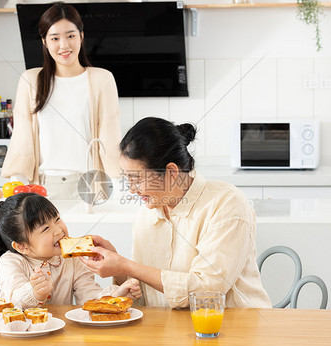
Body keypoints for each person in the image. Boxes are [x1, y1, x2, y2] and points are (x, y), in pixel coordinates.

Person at [81, 117, 272, 309]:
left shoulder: (226, 203)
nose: (132, 189)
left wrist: (126, 265)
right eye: (127, 179)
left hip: (235, 329)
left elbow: (209, 290)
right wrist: (119, 268)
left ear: (172, 172)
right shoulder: (146, 214)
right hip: (171, 330)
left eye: (137, 180)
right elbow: (142, 292)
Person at [1, 2, 121, 200]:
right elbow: (22, 140)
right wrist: (17, 191)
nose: (64, 45)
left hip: (90, 187)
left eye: (71, 36)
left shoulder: (102, 79)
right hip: (42, 189)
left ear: (81, 36)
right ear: (45, 42)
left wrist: (117, 186)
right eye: (55, 38)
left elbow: (110, 135)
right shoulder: (31, 80)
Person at [0, 193, 141, 309]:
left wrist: (116, 295)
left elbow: (88, 296)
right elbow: (13, 301)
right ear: (22, 246)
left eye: (57, 219)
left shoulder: (71, 259)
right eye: (46, 228)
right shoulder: (10, 262)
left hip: (60, 335)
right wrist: (35, 293)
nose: (58, 230)